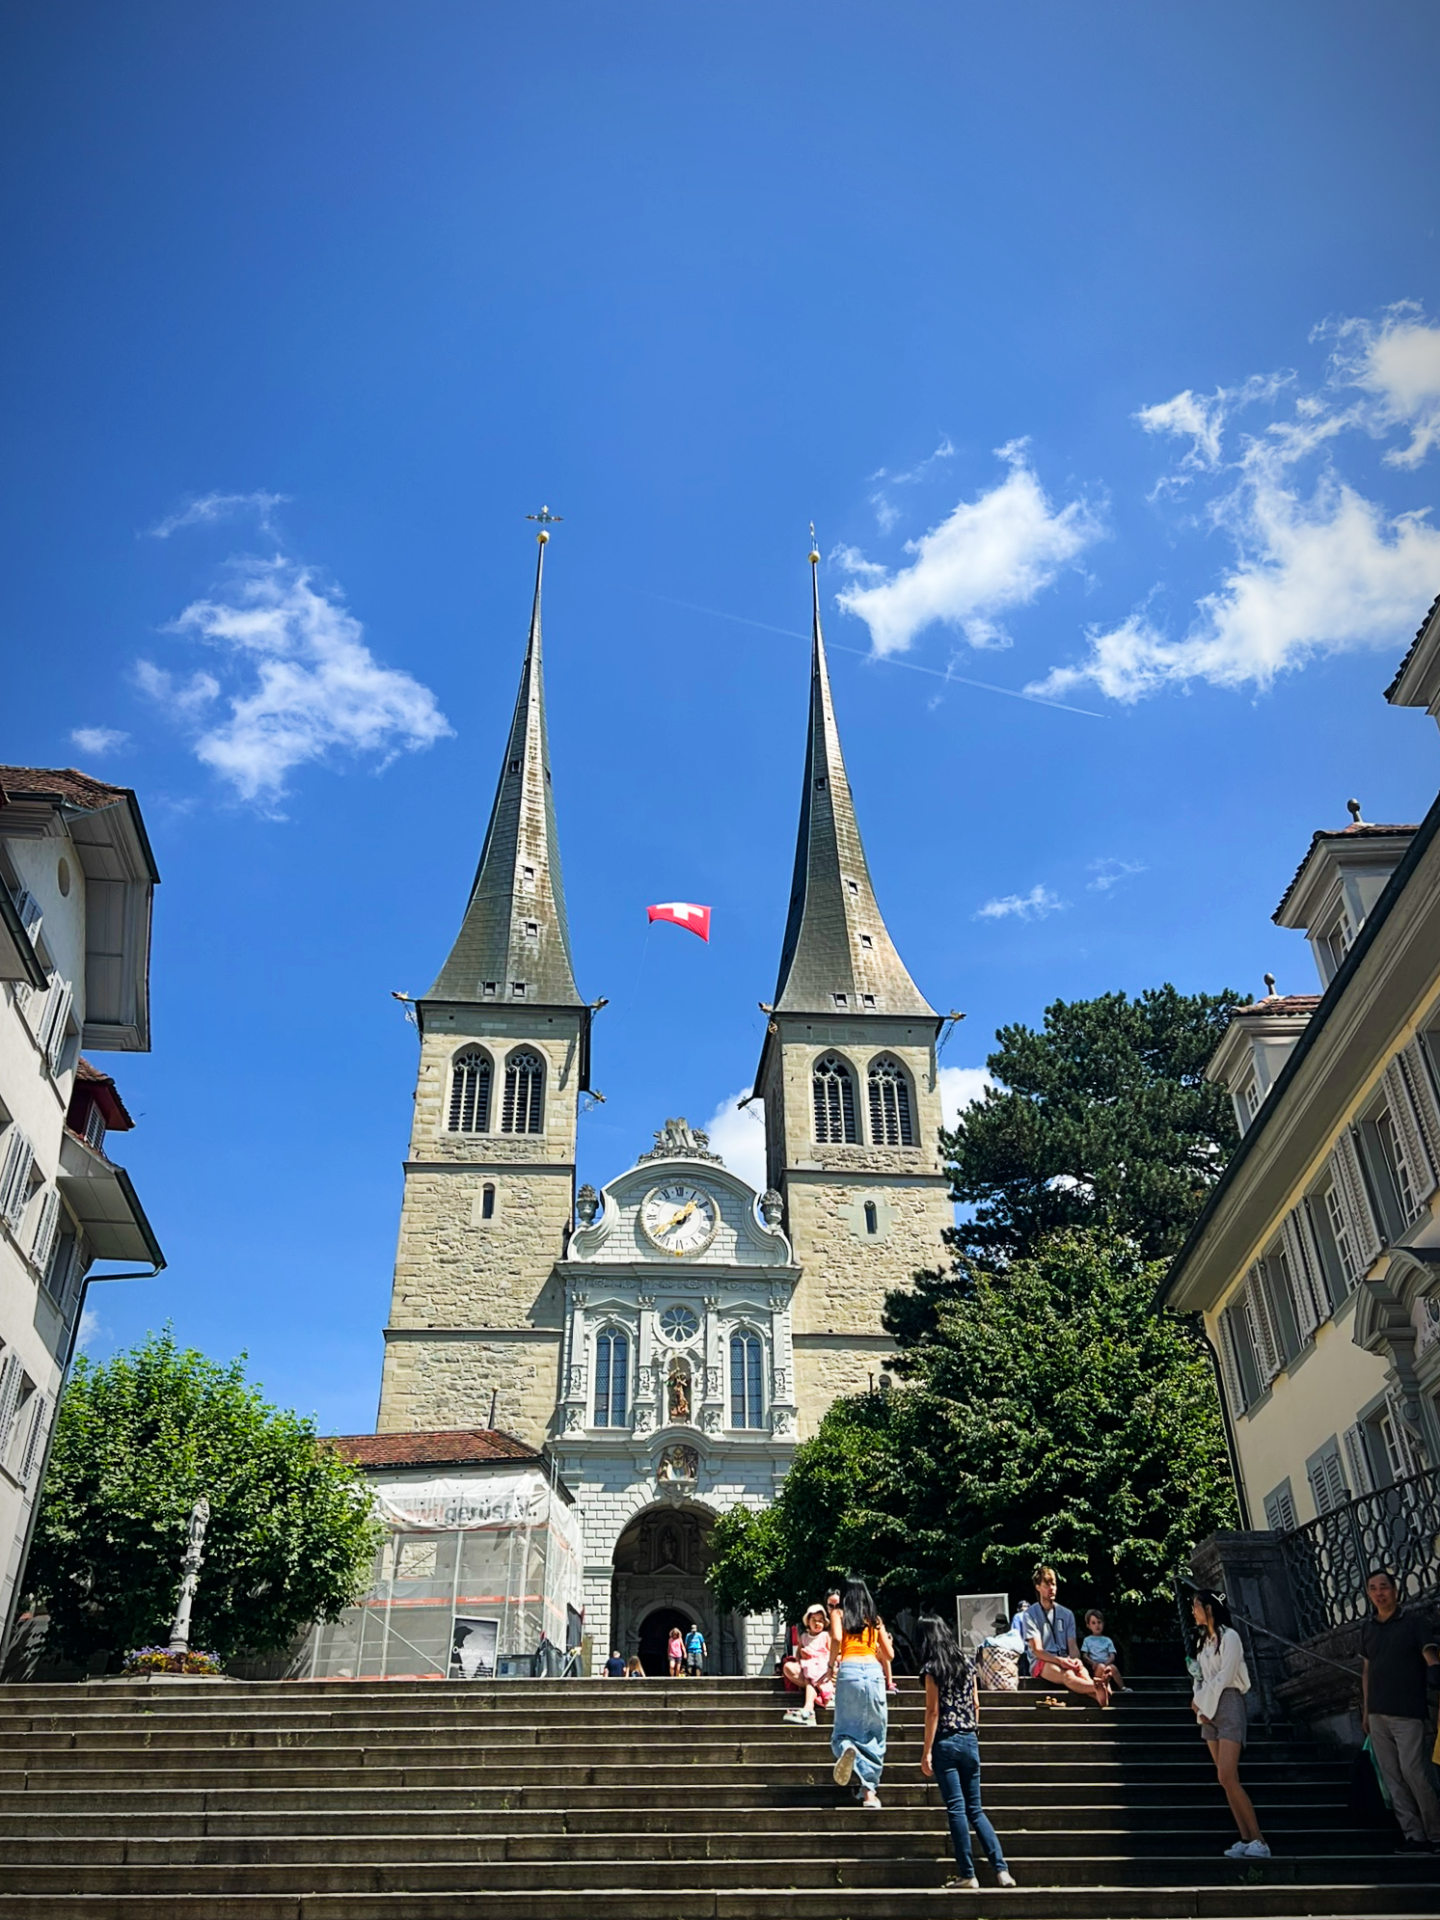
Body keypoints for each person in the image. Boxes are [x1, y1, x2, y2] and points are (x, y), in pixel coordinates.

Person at [917, 1611, 1017, 1891]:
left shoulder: (932, 1667)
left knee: (957, 1810)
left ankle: (968, 1874)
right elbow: (976, 1703)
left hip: (946, 1741)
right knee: (976, 1809)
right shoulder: (965, 1662)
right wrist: (972, 1733)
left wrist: (926, 1751)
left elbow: (933, 1711)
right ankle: (1002, 1871)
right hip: (970, 1739)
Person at [1359, 1569, 1440, 1853]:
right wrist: (1366, 1709)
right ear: (1368, 1594)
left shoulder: (1414, 1623)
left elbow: (1431, 1657)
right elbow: (1367, 1670)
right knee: (1392, 1777)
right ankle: (1413, 1834)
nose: (1379, 1593)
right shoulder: (1368, 1627)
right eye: (1373, 1588)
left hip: (1408, 1710)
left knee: (1414, 1771)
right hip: (1377, 1712)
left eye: (1384, 1587)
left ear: (1395, 1590)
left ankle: (1435, 1832)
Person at [1189, 1589, 1267, 1859]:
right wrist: (1199, 1701)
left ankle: (1258, 1838)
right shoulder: (1204, 1643)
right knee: (1225, 1779)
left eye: (1196, 1606)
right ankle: (1245, 1837)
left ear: (1209, 1609)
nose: (1193, 1611)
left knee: (1227, 1775)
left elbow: (1226, 1675)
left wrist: (1202, 1701)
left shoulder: (1230, 1637)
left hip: (1228, 1703)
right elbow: (1200, 1676)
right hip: (1207, 1708)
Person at [826, 1576, 894, 1810]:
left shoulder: (839, 1614)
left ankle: (848, 1749)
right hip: (874, 1673)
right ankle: (870, 1794)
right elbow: (890, 1655)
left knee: (844, 1730)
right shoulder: (875, 1619)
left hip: (850, 1670)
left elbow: (835, 1638)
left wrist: (830, 1664)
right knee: (875, 1732)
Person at [1021, 1567, 1109, 1709]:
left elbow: (1072, 1646)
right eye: (1047, 1585)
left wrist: (1075, 1660)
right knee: (1068, 1675)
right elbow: (1038, 1651)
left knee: (1081, 1671)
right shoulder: (1030, 1614)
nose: (1052, 1589)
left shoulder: (1066, 1614)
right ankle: (1099, 1687)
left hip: (1064, 1658)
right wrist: (1060, 1661)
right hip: (1042, 1661)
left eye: (1054, 1584)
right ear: (1038, 1587)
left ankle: (1100, 1693)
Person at [782, 1604, 835, 1724]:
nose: (817, 1624)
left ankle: (809, 1707)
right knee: (797, 1668)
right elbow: (798, 1656)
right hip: (807, 1666)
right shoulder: (804, 1637)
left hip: (821, 1665)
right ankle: (821, 1694)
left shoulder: (825, 1636)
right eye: (814, 1621)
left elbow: (831, 1653)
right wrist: (802, 1655)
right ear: (808, 1622)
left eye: (820, 1621)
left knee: (810, 1675)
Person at [1081, 1608, 1125, 1693]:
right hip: (1095, 1666)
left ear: (1103, 1624)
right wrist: (1092, 1663)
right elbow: (1085, 1655)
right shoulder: (1087, 1640)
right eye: (1093, 1623)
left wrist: (1106, 1663)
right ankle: (1100, 1687)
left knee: (1113, 1668)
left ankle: (1122, 1687)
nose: (1097, 1625)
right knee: (1100, 1667)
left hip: (1106, 1664)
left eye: (1099, 1622)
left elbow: (1112, 1655)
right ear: (1088, 1625)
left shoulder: (1107, 1640)